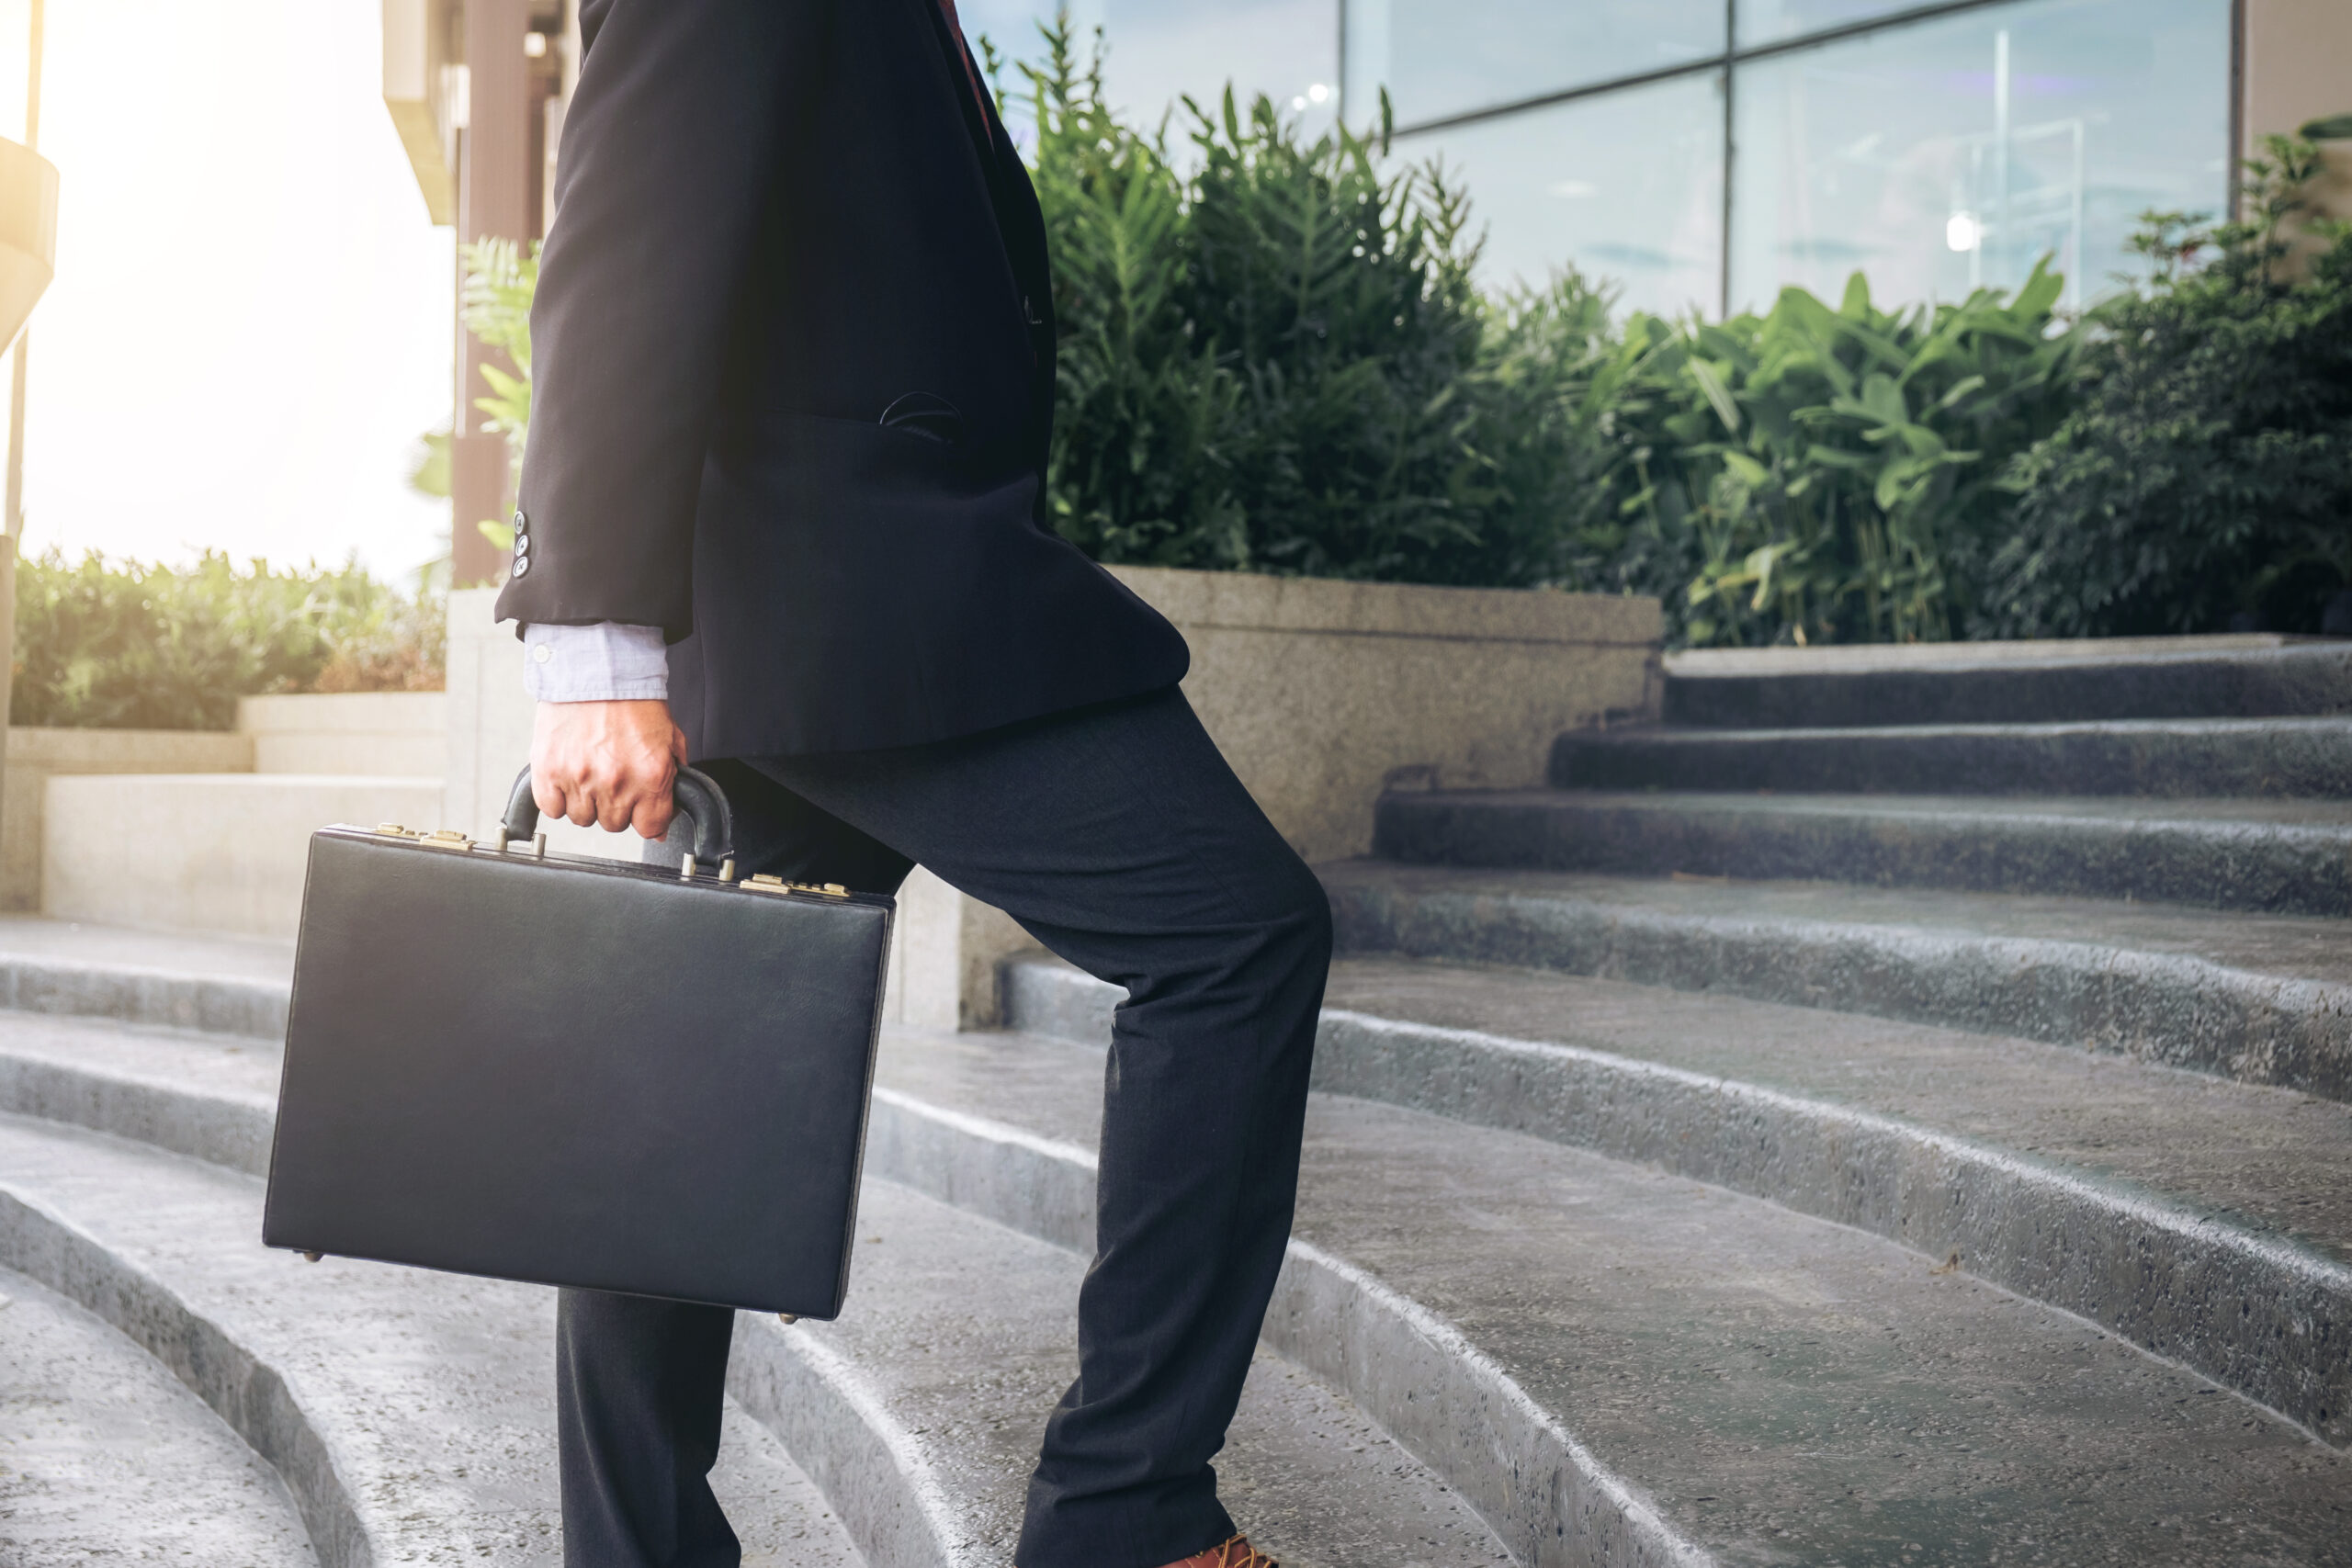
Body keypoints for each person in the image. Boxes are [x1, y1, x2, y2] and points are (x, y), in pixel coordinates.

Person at [492, 3, 1334, 1566]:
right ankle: (1126, 1515)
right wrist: (594, 650)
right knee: (1235, 935)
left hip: (834, 599)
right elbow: (625, 230)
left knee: (690, 1082)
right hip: (846, 600)